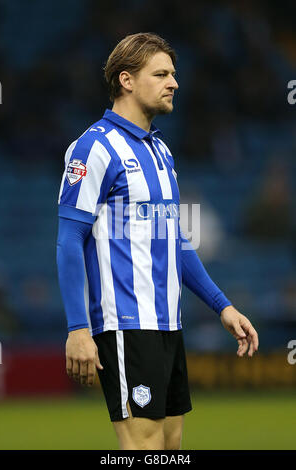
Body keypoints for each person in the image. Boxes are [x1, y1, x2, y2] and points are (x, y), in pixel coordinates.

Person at [56, 32, 259, 450]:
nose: (174, 83)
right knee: (143, 449)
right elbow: (69, 239)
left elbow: (177, 241)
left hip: (169, 324)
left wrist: (223, 305)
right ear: (127, 80)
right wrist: (78, 329)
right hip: (127, 324)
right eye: (162, 74)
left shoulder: (162, 152)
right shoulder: (94, 148)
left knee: (170, 446)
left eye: (174, 74)